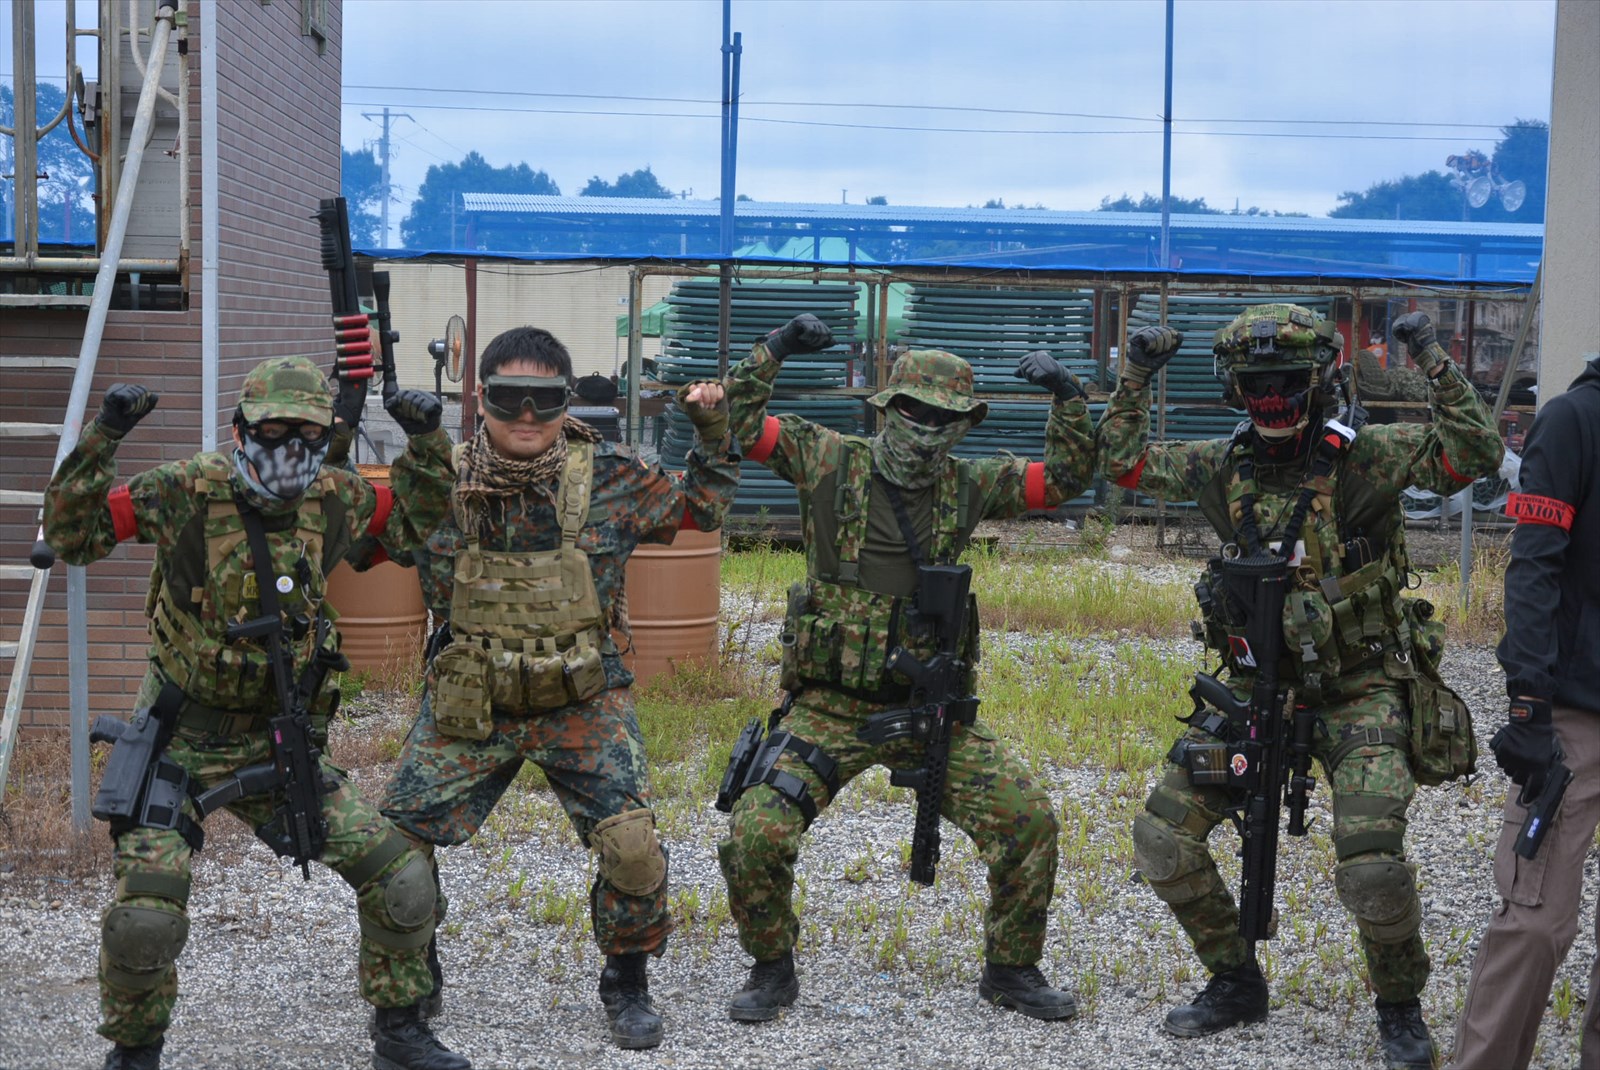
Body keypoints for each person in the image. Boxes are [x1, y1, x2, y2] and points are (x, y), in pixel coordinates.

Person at [1097, 307, 1503, 1070]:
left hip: (1360, 688)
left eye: (1287, 383)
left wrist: (1430, 357)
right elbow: (1119, 464)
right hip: (1257, 690)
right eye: (1256, 385)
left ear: (1319, 384)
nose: (1272, 400)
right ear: (1234, 390)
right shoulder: (1222, 467)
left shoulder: (1366, 458)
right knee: (1161, 837)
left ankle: (1399, 1006)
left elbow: (1476, 451)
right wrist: (1137, 372)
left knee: (1372, 865)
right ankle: (1235, 979)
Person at [43, 357, 467, 1070]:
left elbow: (416, 524)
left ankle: (400, 1030)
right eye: (274, 431)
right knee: (145, 916)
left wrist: (428, 443)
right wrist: (104, 434)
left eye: (310, 432)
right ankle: (134, 1051)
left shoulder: (336, 498)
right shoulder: (185, 490)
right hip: (179, 738)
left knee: (401, 878)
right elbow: (71, 532)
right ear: (241, 431)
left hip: (277, 741)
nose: (291, 447)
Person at [716, 314, 1096, 1023]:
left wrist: (1069, 398)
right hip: (830, 706)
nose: (925, 429)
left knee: (1029, 822)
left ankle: (1012, 970)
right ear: (888, 408)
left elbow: (1065, 480)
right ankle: (771, 968)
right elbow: (736, 424)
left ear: (964, 426)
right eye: (914, 412)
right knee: (755, 831)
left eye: (943, 418)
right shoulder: (828, 459)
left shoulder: (972, 484)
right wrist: (774, 348)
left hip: (927, 710)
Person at [376, 326, 739, 1051]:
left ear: (565, 401)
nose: (526, 415)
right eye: (508, 397)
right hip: (472, 698)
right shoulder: (440, 478)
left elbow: (701, 508)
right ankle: (408, 985)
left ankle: (627, 979)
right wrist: (412, 447)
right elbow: (371, 537)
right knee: (392, 850)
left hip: (581, 695)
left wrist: (712, 428)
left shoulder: (610, 477)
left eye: (543, 399)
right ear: (480, 398)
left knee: (632, 845)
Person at [1449, 352, 1600, 1070]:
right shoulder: (1574, 422)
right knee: (1536, 922)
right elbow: (1534, 566)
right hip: (1574, 716)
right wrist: (1529, 704)